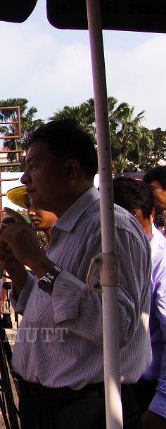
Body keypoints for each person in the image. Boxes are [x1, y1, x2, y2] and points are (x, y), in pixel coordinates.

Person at [0, 120, 150, 428]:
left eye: (34, 166)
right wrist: (17, 267)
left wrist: (38, 262)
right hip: (47, 406)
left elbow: (116, 326)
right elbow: (42, 306)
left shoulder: (110, 228)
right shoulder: (66, 231)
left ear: (70, 170)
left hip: (88, 410)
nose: (25, 178)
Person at [112, 177, 166, 429]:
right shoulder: (109, 252)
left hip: (148, 388)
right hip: (117, 383)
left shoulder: (161, 262)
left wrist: (160, 407)